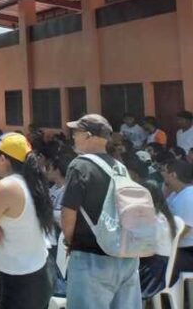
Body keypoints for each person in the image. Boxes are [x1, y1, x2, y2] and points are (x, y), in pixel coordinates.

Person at [61, 114, 141, 309]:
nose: (73, 137)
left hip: (91, 259)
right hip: (126, 256)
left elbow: (67, 213)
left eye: (76, 132)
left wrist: (69, 241)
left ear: (89, 136)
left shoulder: (80, 165)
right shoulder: (120, 168)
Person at [0, 132, 54, 309]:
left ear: (3, 159)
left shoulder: (6, 187)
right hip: (37, 273)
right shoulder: (32, 182)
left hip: (22, 281)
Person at [138, 180, 179, 299]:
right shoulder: (164, 215)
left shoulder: (157, 220)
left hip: (156, 271)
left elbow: (146, 248)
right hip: (159, 264)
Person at [162, 159, 193, 283]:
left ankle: (162, 299)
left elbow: (183, 230)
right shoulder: (176, 194)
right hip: (181, 250)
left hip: (188, 252)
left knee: (156, 262)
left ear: (173, 175)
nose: (162, 174)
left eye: (164, 171)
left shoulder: (188, 196)